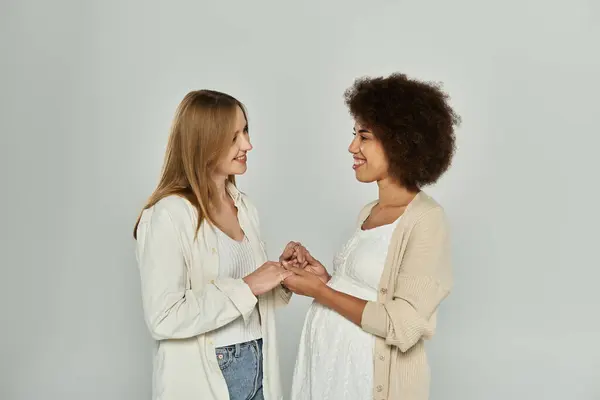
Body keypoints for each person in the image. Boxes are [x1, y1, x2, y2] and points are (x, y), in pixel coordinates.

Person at [283, 73, 460, 400]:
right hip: (328, 375)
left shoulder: (426, 220)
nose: (352, 147)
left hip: (366, 383)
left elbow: (404, 326)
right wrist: (326, 279)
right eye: (355, 135)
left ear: (400, 142)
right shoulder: (369, 210)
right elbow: (373, 291)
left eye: (364, 136)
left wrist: (321, 292)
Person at [133, 89, 304, 400]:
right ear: (204, 141)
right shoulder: (169, 214)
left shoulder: (245, 207)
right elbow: (163, 317)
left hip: (259, 359)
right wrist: (249, 285)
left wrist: (284, 276)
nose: (248, 145)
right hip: (210, 372)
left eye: (246, 130)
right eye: (233, 136)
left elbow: (250, 302)